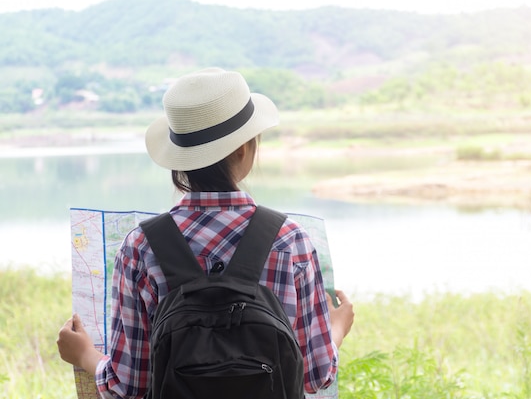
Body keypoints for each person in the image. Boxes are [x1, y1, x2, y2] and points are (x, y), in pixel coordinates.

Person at [57, 68, 354, 398]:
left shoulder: (140, 247)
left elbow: (128, 386)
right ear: (244, 149)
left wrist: (84, 354)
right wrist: (336, 327)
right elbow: (315, 375)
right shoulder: (290, 240)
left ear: (179, 158)